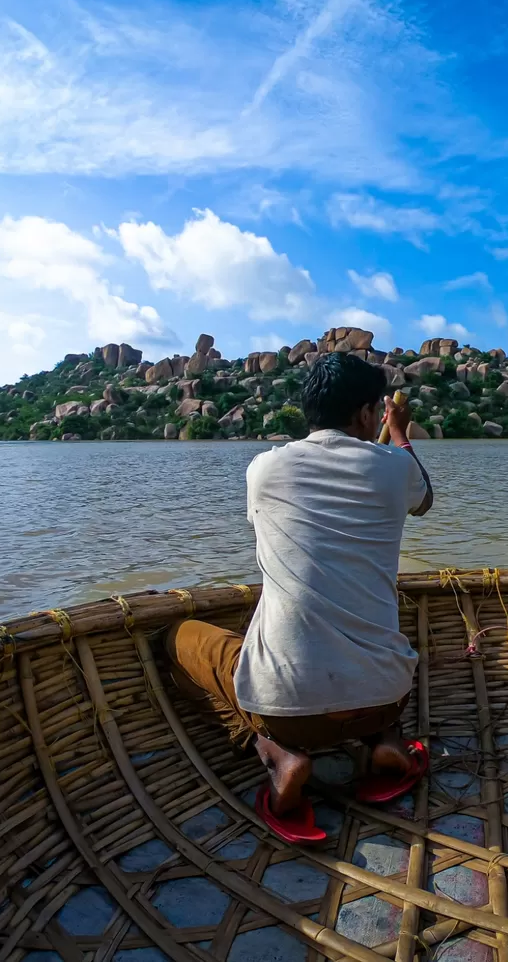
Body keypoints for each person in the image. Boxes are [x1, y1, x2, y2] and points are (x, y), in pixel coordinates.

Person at [165, 352, 434, 842]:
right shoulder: (395, 468)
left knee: (179, 637)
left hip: (286, 713)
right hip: (385, 700)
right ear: (365, 415)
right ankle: (383, 742)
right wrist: (399, 434)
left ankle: (276, 752)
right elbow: (425, 501)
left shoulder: (264, 469)